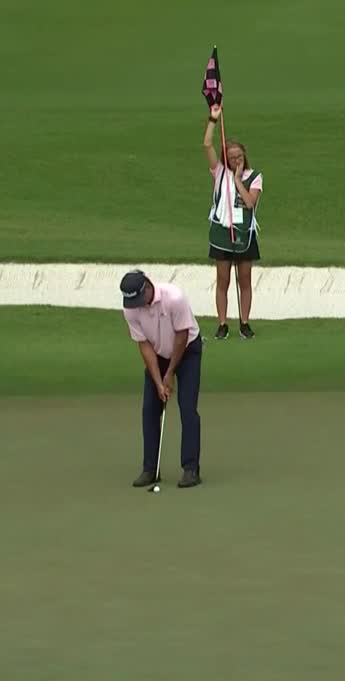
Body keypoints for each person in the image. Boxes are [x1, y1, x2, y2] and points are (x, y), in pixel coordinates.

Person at [121, 270, 204, 488]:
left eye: (139, 299)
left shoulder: (174, 298)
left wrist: (169, 374)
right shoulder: (130, 310)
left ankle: (191, 469)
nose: (137, 305)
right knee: (149, 409)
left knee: (187, 407)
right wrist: (159, 382)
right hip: (157, 352)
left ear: (148, 286)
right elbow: (144, 346)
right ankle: (150, 469)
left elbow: (182, 336)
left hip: (187, 350)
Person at [203, 104, 263, 340]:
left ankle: (244, 323)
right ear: (225, 158)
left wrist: (238, 180)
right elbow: (207, 144)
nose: (236, 160)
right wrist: (213, 119)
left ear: (244, 155)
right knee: (223, 280)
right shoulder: (219, 172)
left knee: (244, 281)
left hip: (244, 234)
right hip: (222, 232)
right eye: (232, 157)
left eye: (239, 156)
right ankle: (222, 324)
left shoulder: (254, 176)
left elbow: (249, 202)